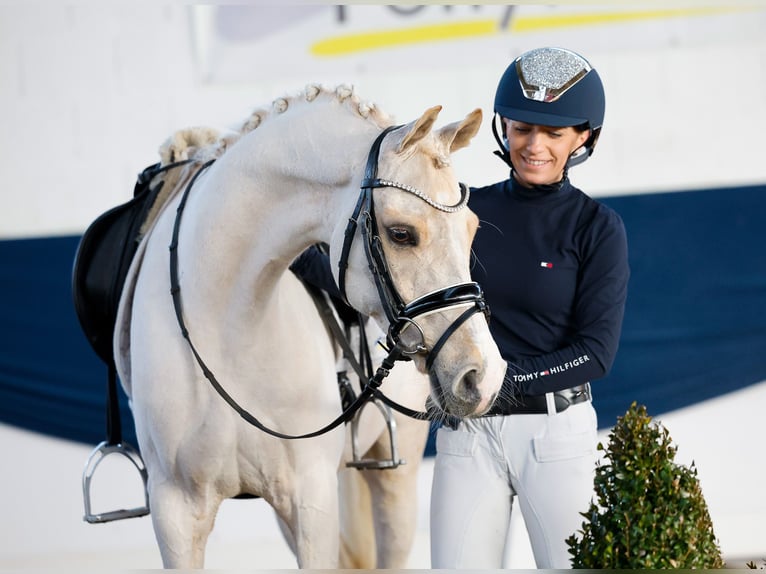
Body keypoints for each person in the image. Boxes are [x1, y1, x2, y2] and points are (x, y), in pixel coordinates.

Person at [428, 46, 630, 569]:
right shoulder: (464, 210)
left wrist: (502, 381)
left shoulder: (596, 228)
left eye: (553, 132)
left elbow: (595, 353)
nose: (534, 145)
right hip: (466, 432)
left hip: (553, 434)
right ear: (504, 129)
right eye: (522, 128)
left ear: (582, 137)